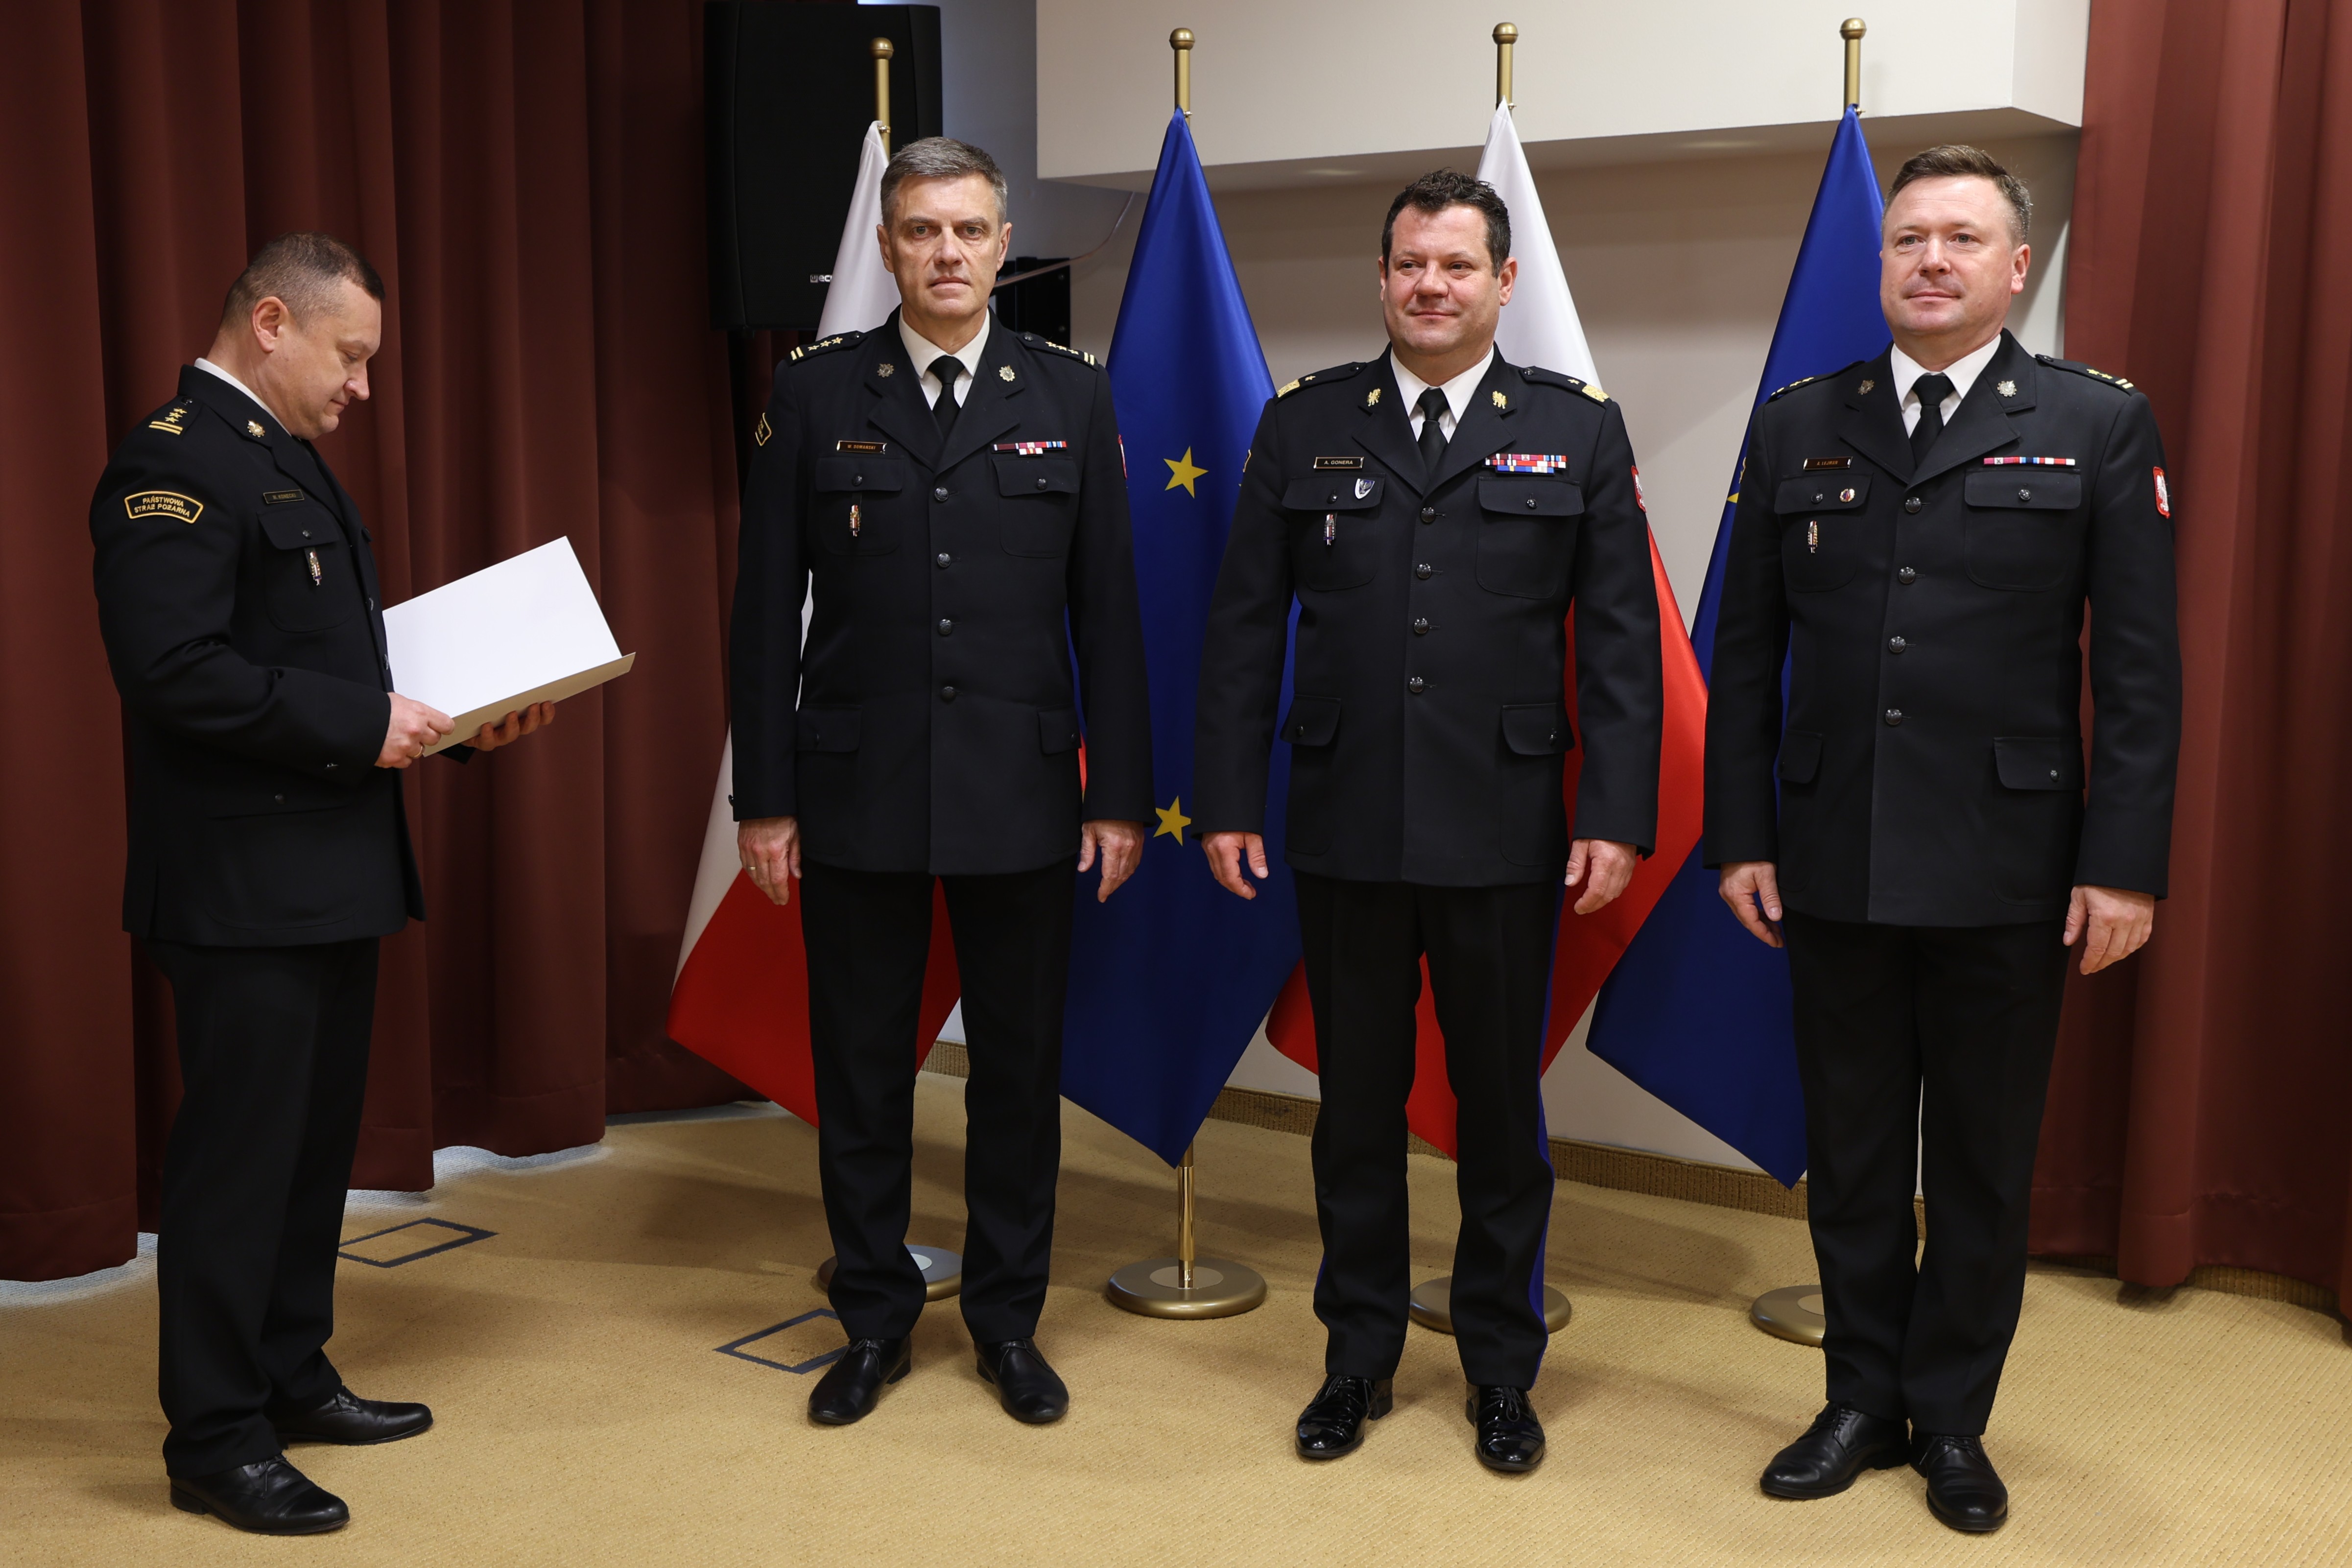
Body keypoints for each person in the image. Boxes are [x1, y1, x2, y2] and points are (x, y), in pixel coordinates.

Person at [1706, 145, 2181, 1534]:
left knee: (1979, 1156)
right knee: (1853, 1148)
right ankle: (1858, 1397)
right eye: (1909, 236)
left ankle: (1954, 1418)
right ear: (1882, 263)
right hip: (1833, 849)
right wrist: (1741, 831)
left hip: (2007, 861)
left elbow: (2138, 672)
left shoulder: (2094, 424)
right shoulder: (1799, 424)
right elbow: (1745, 657)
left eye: (1962, 238)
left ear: (2014, 268)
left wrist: (2122, 862)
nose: (1930, 259)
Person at [1193, 170, 1663, 1475]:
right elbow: (1243, 630)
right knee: (1355, 1110)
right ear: (1383, 276)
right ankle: (1356, 1356)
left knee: (1499, 1113)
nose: (1431, 286)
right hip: (1344, 820)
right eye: (1410, 264)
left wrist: (1615, 814)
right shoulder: (1305, 423)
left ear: (1503, 282)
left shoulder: (1574, 429)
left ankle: (1501, 1369)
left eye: (1458, 265)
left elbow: (1620, 643)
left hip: (1504, 828)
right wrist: (1225, 796)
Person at [88, 232, 553, 1535]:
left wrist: (458, 722)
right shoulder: (174, 462)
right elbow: (172, 669)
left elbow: (330, 660)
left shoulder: (280, 455)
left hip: (330, 871)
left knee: (307, 1158)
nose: (361, 386)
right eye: (349, 356)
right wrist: (367, 725)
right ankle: (215, 1436)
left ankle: (290, 1374)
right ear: (271, 323)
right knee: (240, 1168)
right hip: (241, 887)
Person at [731, 138, 1152, 1428]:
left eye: (969, 230)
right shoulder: (814, 393)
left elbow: (1110, 614)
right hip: (856, 788)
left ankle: (1008, 1323)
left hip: (1022, 794)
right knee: (862, 1071)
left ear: (1003, 244)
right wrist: (765, 796)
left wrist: (1119, 796)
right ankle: (872, 1318)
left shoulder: (1070, 394)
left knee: (1016, 1075)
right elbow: (764, 612)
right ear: (887, 246)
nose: (947, 253)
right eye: (921, 231)